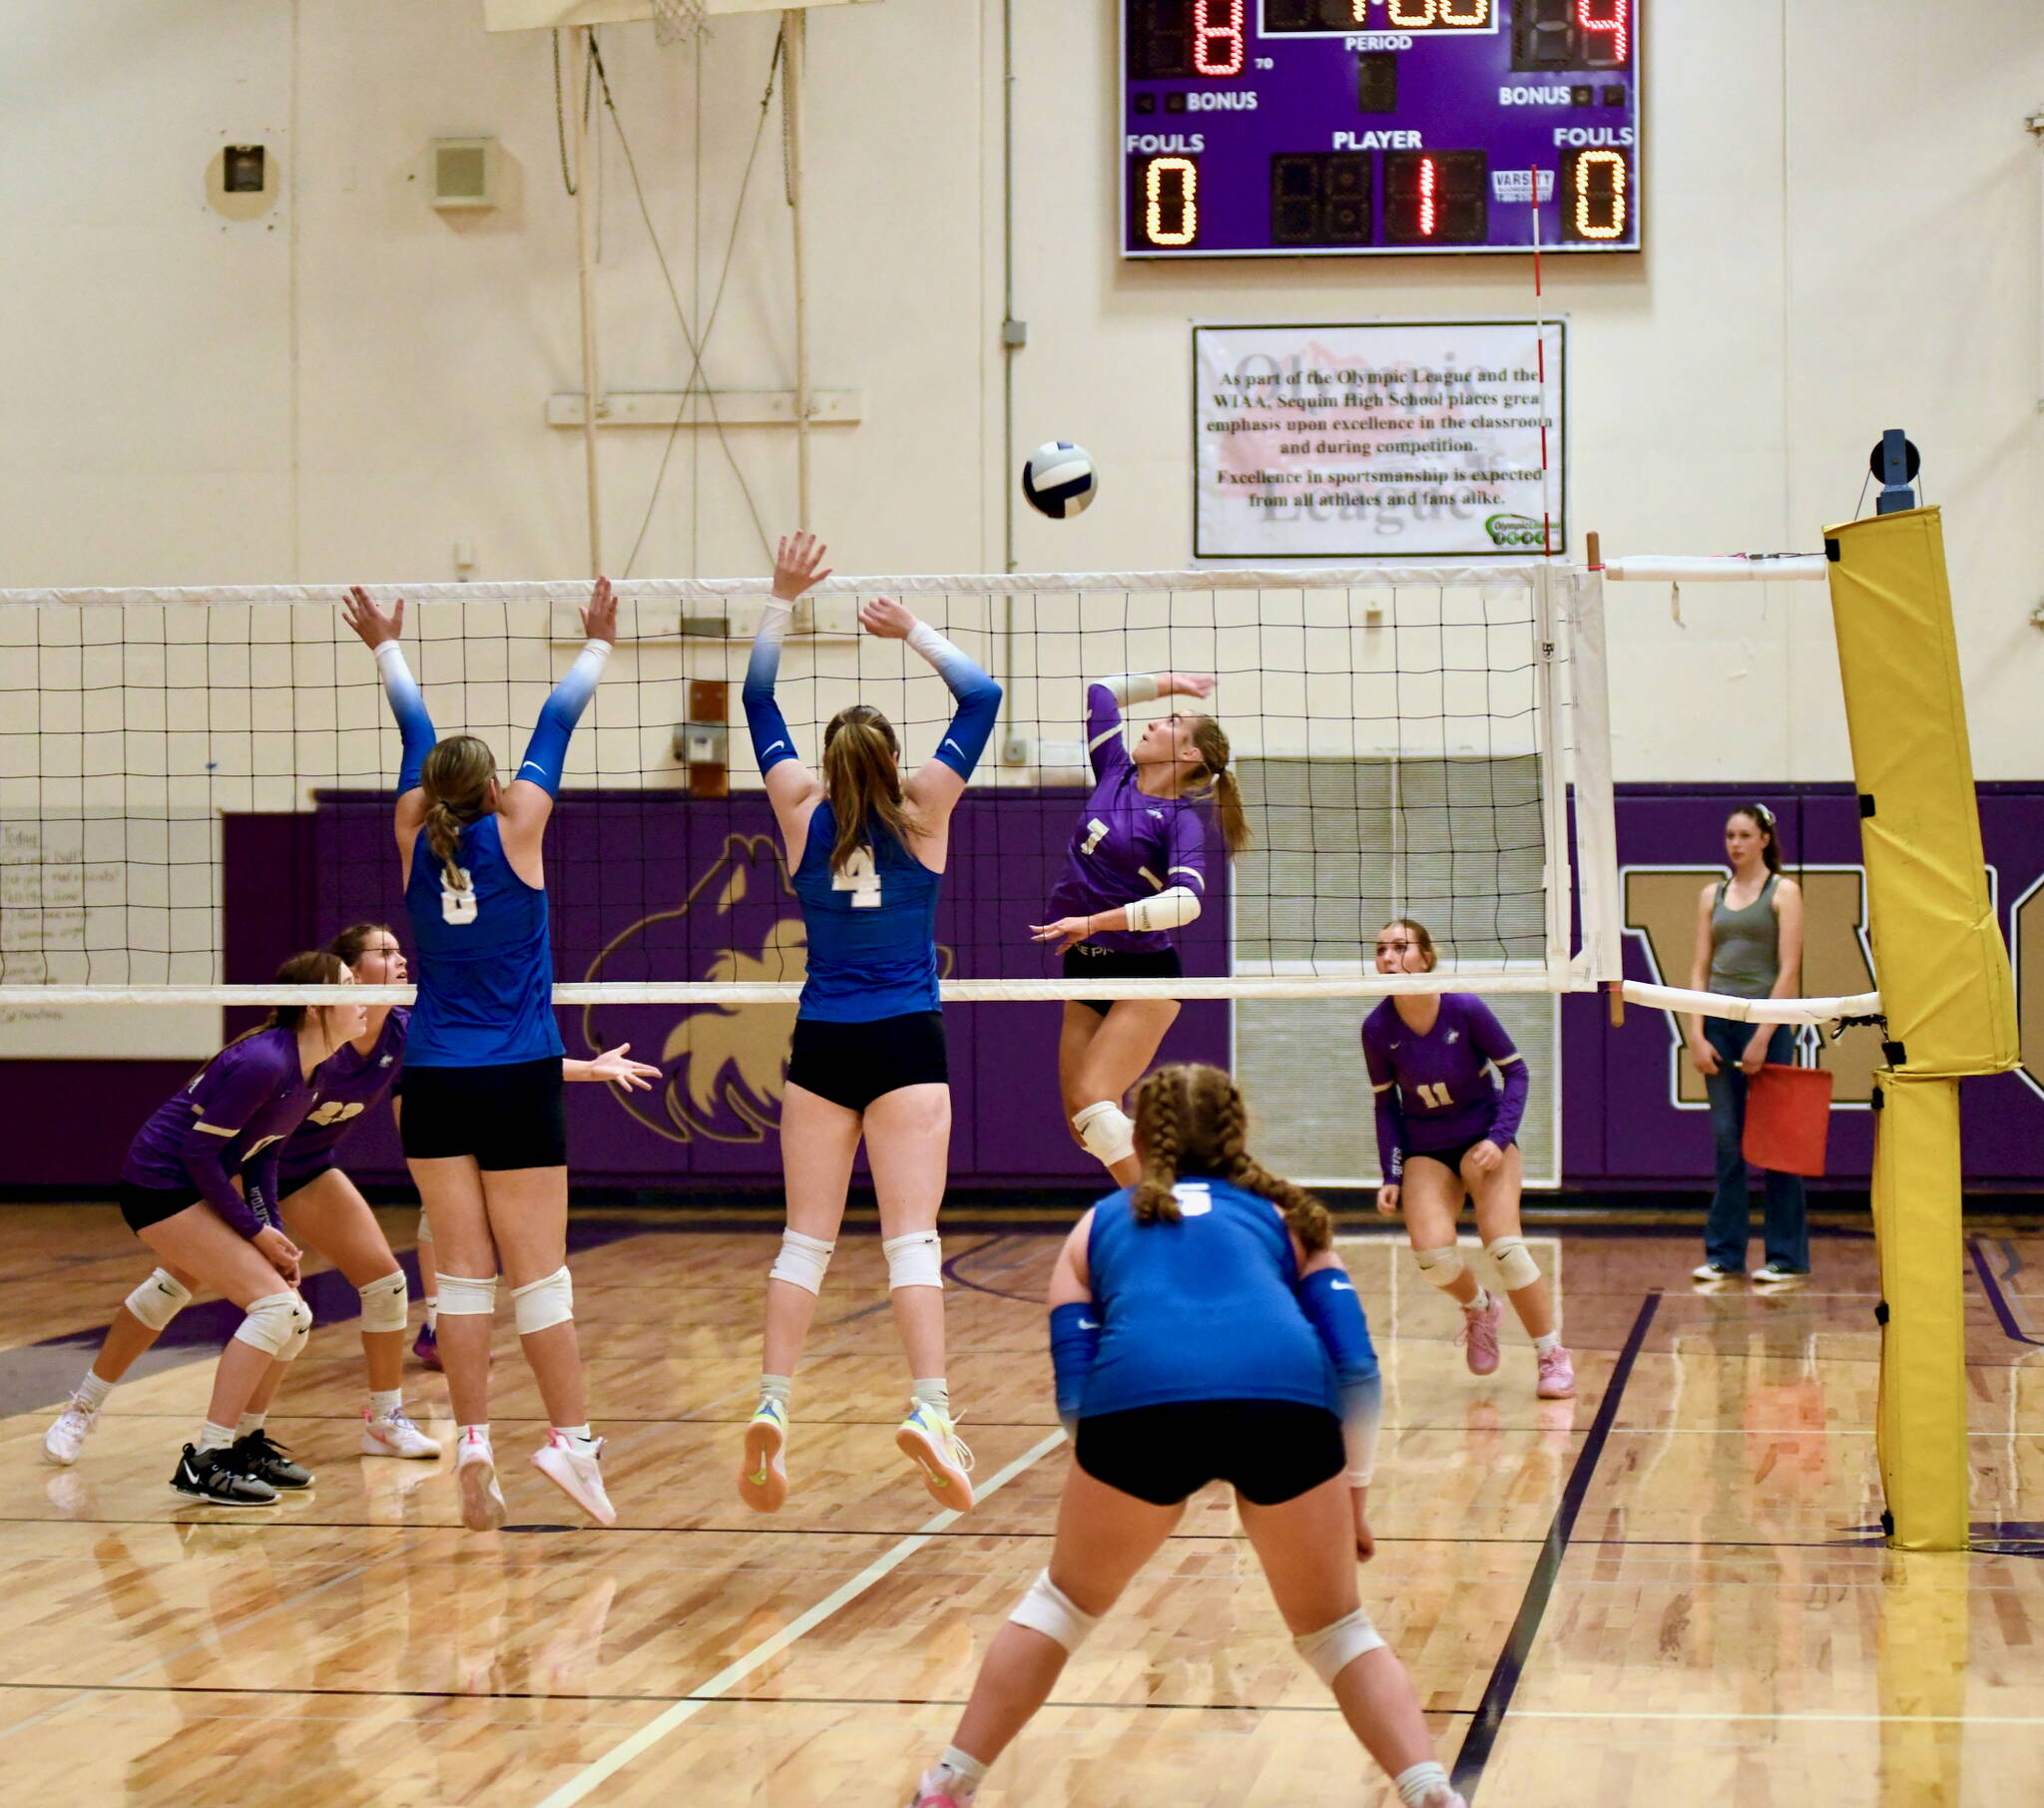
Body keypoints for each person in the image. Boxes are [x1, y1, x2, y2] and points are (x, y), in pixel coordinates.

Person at [903, 1063, 1464, 1808]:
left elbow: (1076, 1398)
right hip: (1284, 1404)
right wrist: (1352, 1496)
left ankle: (950, 1785)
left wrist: (1121, 1476)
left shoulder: (1097, 1224)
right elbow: (1357, 1369)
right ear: (1240, 1130)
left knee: (1061, 1605)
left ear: (1138, 1134)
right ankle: (1429, 1791)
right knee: (1337, 1630)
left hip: (1138, 1406)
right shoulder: (1288, 1215)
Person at [44, 923, 657, 1467]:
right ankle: (86, 1406)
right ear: (344, 973)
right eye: (383, 953)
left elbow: (490, 1063)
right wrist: (259, 1225)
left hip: (301, 1166)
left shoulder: (399, 1031)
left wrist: (585, 1069)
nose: (400, 962)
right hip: (230, 1169)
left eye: (399, 951)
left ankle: (382, 1419)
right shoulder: (301, 1045)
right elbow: (217, 1144)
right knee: (184, 1283)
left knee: (384, 1283)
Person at [344, 575, 621, 1532]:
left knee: (458, 1279)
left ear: (432, 795)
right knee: (540, 1278)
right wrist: (596, 644)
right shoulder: (521, 831)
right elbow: (557, 720)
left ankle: (470, 1440)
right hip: (516, 1077)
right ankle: (570, 1443)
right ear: (497, 787)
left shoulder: (413, 836)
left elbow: (416, 742)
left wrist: (386, 645)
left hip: (436, 1081)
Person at [737, 531, 1000, 1514]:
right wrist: (909, 631)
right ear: (890, 758)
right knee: (910, 1242)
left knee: (802, 1243)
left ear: (831, 761)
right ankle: (930, 1409)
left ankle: (771, 1401)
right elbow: (982, 700)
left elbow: (757, 702)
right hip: (905, 1042)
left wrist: (780, 598)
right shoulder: (922, 808)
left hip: (823, 1046)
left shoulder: (800, 807)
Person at [112, 950, 363, 1507]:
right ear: (316, 1007)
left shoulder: (317, 1069)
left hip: (200, 1184)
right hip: (160, 1187)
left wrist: (273, 1229)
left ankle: (246, 1444)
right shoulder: (265, 1063)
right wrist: (253, 1232)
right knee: (277, 1310)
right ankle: (205, 1459)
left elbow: (263, 1155)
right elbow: (198, 1154)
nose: (367, 995)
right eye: (349, 984)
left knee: (293, 1316)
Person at [1029, 672, 1248, 1186]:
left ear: (1191, 755)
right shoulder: (1115, 772)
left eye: (1171, 723)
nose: (1152, 721)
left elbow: (1186, 903)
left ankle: (1164, 1215)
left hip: (1143, 971)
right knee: (1083, 1127)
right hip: (1086, 965)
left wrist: (1093, 922)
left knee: (1092, 1099)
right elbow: (1101, 692)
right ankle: (1166, 1190)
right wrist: (1173, 685)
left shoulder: (1180, 820)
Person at [1364, 919, 1573, 1399]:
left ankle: (1550, 1354)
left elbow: (1516, 1073)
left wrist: (1500, 1139)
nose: (1388, 958)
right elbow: (1385, 1105)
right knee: (1434, 1259)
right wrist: (1390, 1172)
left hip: (1483, 1138)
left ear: (1427, 957)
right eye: (1380, 950)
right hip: (1426, 1149)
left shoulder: (1464, 1007)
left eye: (1400, 947)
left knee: (1506, 1249)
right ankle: (1480, 1307)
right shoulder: (1377, 1028)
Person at [1684, 802, 1810, 1287]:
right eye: (1729, 835)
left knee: (1777, 1144)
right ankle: (1724, 1256)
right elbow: (1699, 968)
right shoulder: (1710, 895)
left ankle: (1786, 1257)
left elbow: (1789, 970)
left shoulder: (1785, 892)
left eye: (1743, 835)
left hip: (1768, 1026)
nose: (1734, 843)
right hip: (1717, 1026)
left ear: (1763, 839)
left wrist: (1763, 1035)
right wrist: (1695, 1033)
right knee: (1727, 1143)